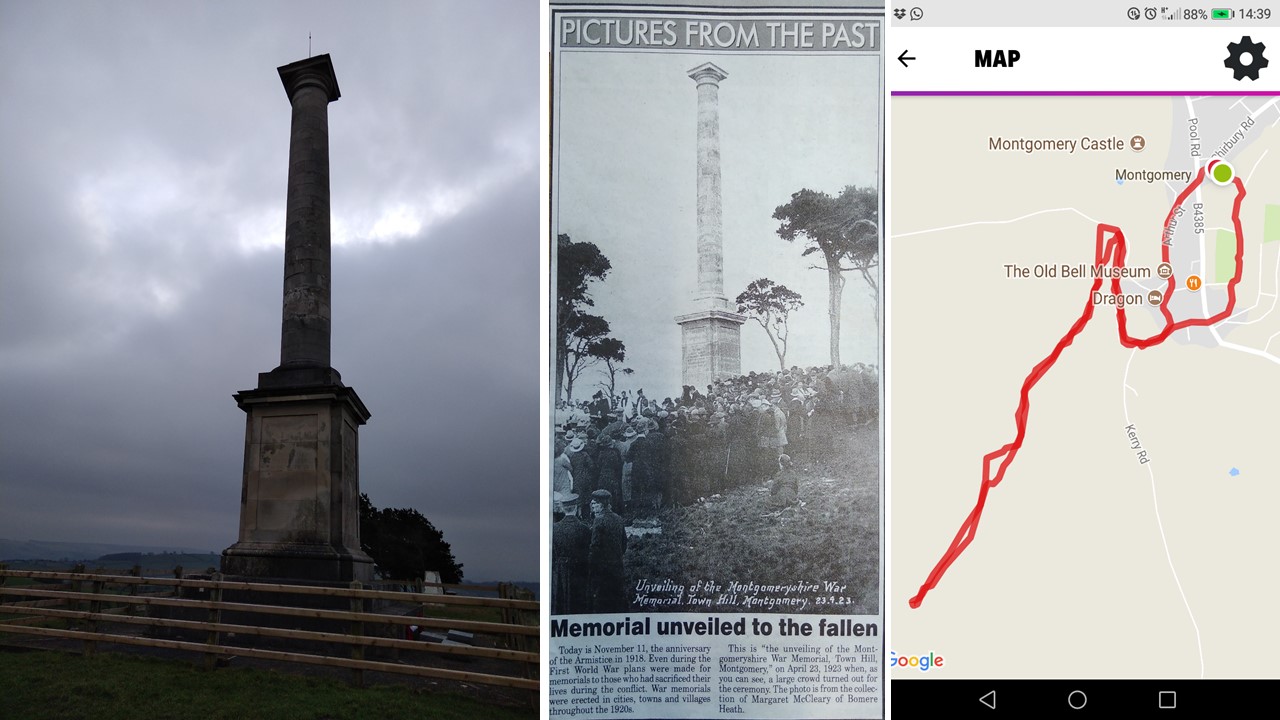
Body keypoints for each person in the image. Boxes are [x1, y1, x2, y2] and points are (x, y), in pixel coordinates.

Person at [587, 489, 628, 613]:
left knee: (603, 601)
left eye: (594, 504)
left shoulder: (599, 520)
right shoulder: (618, 518)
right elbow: (624, 543)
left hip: (603, 569)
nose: (592, 507)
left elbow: (595, 547)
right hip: (617, 566)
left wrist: (592, 567)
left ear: (601, 505)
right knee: (617, 599)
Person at [552, 492, 592, 615]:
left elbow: (553, 554)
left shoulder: (554, 528)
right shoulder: (584, 529)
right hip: (579, 570)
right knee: (578, 603)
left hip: (560, 570)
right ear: (576, 508)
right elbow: (588, 553)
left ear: (563, 509)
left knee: (561, 602)